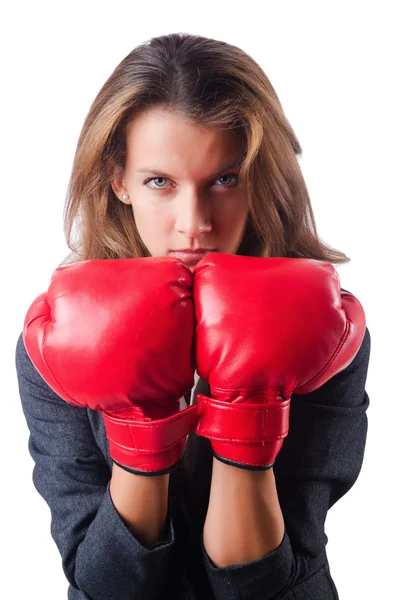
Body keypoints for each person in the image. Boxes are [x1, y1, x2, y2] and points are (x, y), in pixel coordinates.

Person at [15, 32, 371, 600]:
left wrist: (249, 405)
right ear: (118, 181)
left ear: (257, 176)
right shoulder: (61, 336)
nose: (193, 221)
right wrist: (141, 422)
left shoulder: (323, 329)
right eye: (161, 182)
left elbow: (264, 582)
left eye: (223, 180)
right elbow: (102, 582)